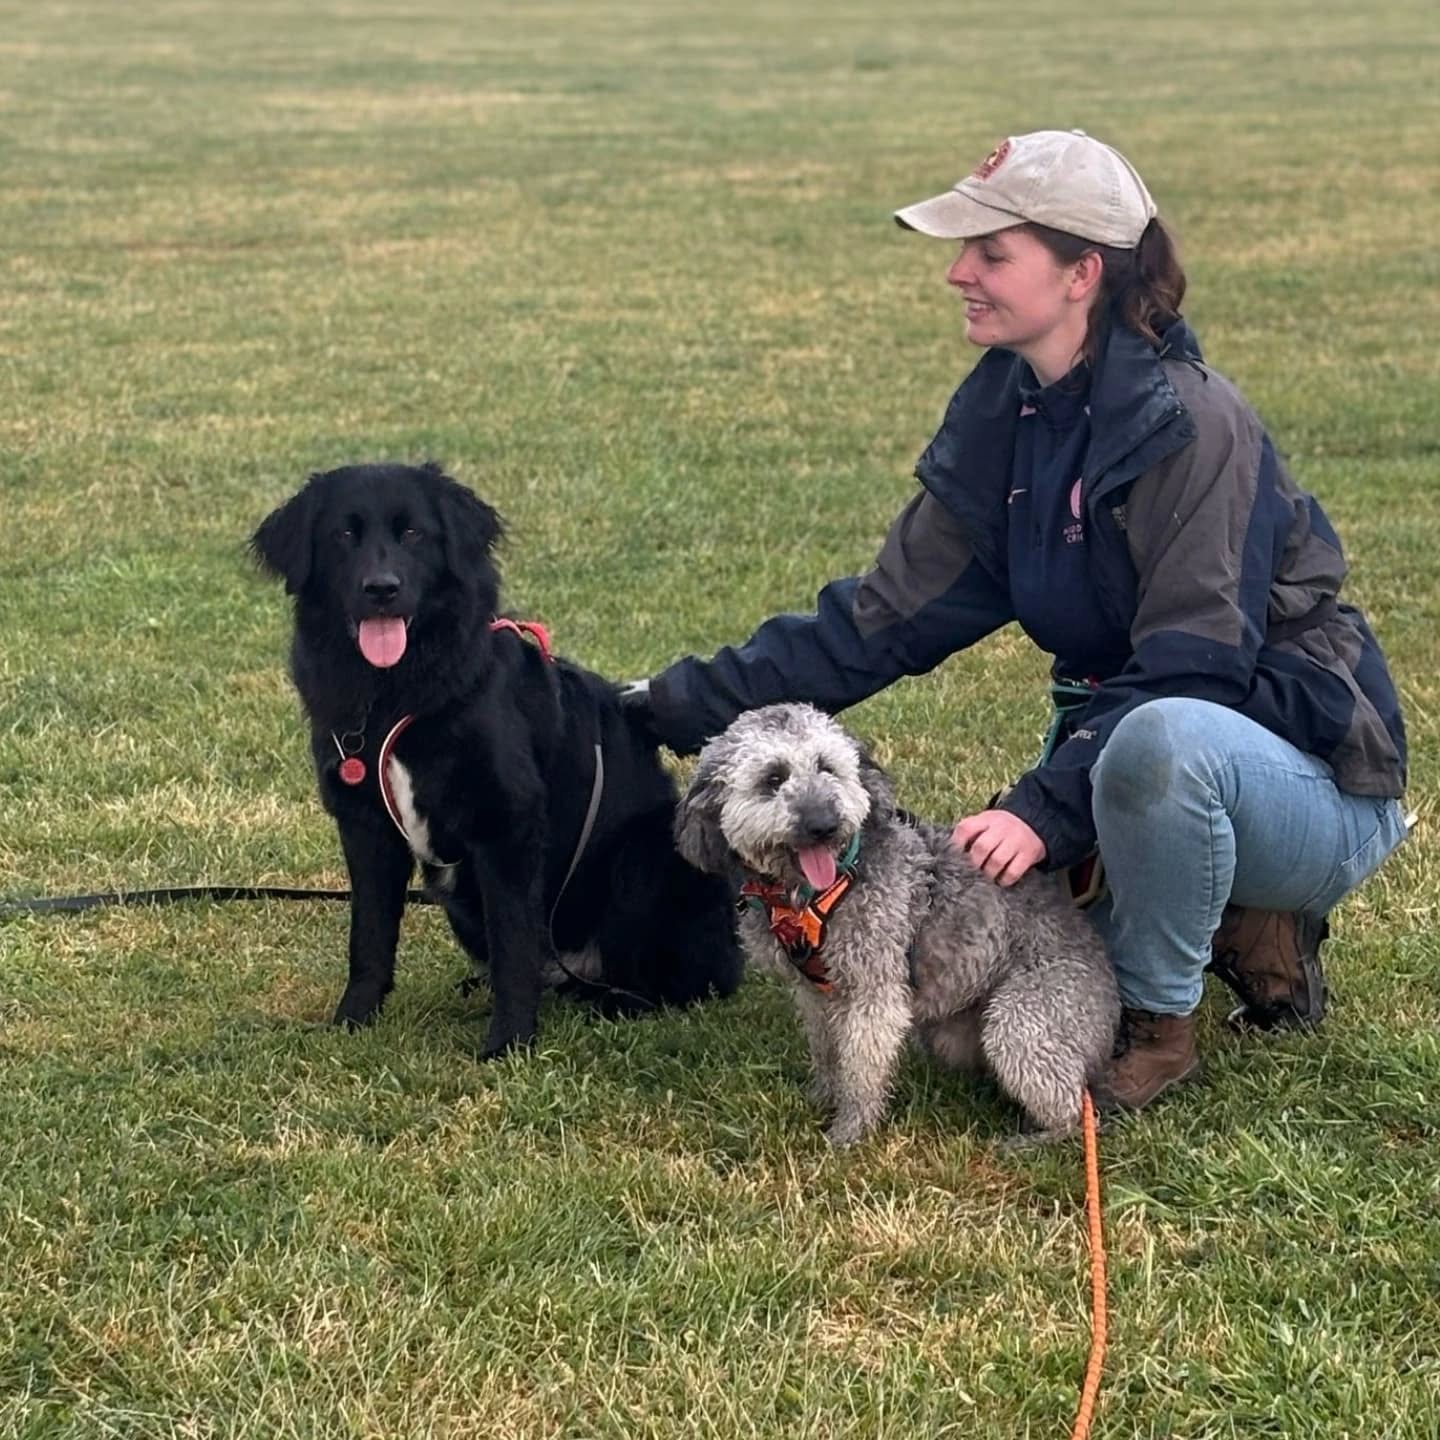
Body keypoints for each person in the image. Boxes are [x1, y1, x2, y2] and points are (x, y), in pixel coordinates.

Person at [622, 129, 1409, 1110]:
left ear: (1083, 274)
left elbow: (1195, 668)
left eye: (992, 253)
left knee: (1158, 747)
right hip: (1127, 752)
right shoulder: (1012, 410)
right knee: (1050, 911)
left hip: (1309, 782)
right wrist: (667, 703)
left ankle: (1159, 1022)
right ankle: (1219, 911)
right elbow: (877, 622)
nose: (959, 273)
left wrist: (1042, 810)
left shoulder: (1196, 425)